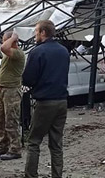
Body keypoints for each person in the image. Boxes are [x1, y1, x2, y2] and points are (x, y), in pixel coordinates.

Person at [22, 20, 70, 178]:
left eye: (36, 31)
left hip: (45, 101)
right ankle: (57, 175)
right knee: (56, 143)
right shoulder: (64, 51)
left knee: (34, 140)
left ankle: (31, 175)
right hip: (62, 100)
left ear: (43, 33)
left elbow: (28, 78)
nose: (35, 34)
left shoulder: (38, 52)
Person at [0, 31, 25, 160]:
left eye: (5, 40)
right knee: (0, 122)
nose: (3, 43)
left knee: (11, 121)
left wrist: (14, 36)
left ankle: (15, 149)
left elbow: (4, 48)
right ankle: (2, 147)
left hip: (12, 90)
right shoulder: (9, 54)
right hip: (3, 89)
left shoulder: (17, 53)